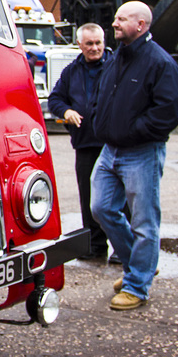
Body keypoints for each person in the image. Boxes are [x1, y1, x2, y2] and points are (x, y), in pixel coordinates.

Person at [91, 1, 178, 311]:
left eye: (122, 19)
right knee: (101, 208)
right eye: (115, 17)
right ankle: (140, 266)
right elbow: (104, 95)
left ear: (141, 25)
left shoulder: (160, 63)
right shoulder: (117, 57)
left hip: (141, 152)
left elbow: (168, 113)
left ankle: (137, 286)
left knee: (144, 221)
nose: (114, 23)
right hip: (110, 151)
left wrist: (132, 131)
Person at [48, 23, 112, 260]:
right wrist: (65, 112)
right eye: (90, 44)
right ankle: (96, 247)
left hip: (113, 144)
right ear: (80, 45)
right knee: (88, 198)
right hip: (85, 144)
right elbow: (55, 98)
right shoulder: (71, 72)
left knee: (119, 198)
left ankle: (123, 249)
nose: (95, 48)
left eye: (98, 43)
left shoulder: (116, 66)